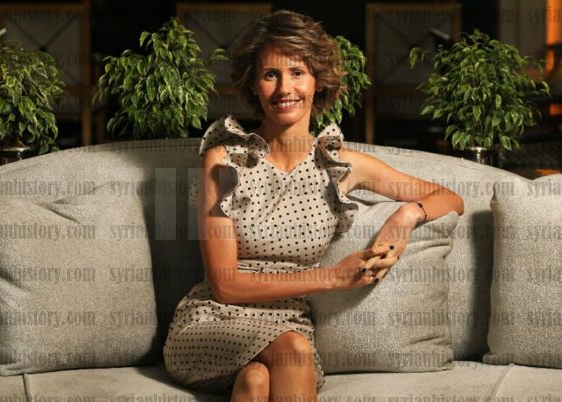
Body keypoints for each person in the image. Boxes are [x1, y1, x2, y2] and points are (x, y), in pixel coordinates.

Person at [163, 9, 464, 401]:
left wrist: (406, 216)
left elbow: (450, 198)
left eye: (297, 72)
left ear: (317, 80)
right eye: (270, 75)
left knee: (256, 381)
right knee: (293, 351)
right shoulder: (223, 161)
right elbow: (225, 284)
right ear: (253, 84)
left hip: (289, 321)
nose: (284, 88)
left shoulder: (340, 165)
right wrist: (333, 278)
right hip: (214, 320)